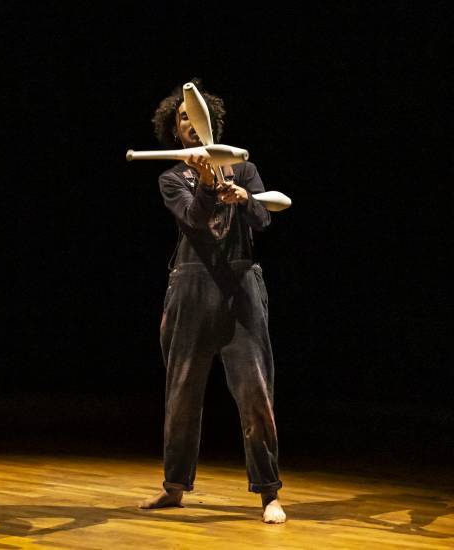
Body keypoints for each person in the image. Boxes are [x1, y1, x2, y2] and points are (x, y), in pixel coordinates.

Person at [138, 80, 286, 524]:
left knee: (256, 393)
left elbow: (264, 220)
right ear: (175, 131)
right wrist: (206, 186)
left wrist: (243, 198)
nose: (189, 122)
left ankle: (269, 494)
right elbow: (193, 220)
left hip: (240, 288)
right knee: (182, 393)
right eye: (181, 117)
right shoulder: (170, 177)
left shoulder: (244, 169)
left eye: (193, 115)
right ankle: (174, 487)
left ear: (209, 125)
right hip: (192, 287)